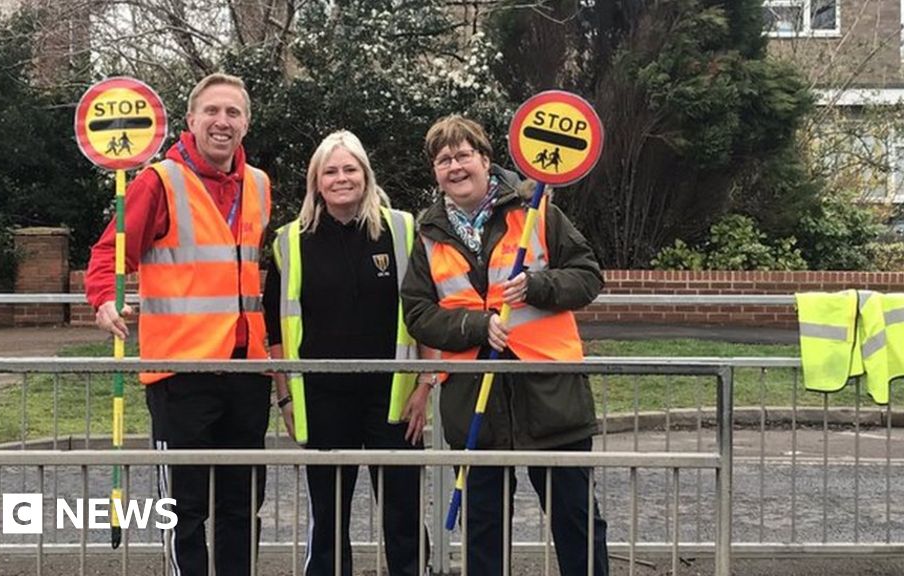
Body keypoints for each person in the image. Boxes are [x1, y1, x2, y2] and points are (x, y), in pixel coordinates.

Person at [401, 115, 609, 576]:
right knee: (484, 532)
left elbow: (588, 276)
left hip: (551, 399)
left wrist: (538, 286)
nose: (454, 166)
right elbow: (418, 313)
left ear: (485, 159)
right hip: (475, 404)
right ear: (435, 173)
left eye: (463, 155)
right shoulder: (429, 237)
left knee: (576, 524)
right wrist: (477, 327)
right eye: (443, 159)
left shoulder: (537, 213)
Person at [85, 73, 272, 576]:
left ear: (246, 124)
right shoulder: (158, 181)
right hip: (181, 375)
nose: (222, 121)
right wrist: (105, 299)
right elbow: (109, 252)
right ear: (191, 120)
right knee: (185, 510)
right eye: (212, 111)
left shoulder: (258, 185)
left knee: (242, 505)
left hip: (245, 373)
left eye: (233, 113)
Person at [263, 130, 432, 576]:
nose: (341, 178)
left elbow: (423, 310)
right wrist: (284, 399)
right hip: (322, 398)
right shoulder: (289, 242)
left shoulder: (402, 229)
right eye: (331, 171)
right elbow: (273, 331)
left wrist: (428, 382)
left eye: (350, 169)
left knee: (404, 514)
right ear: (316, 182)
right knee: (328, 518)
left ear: (366, 175)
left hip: (393, 400)